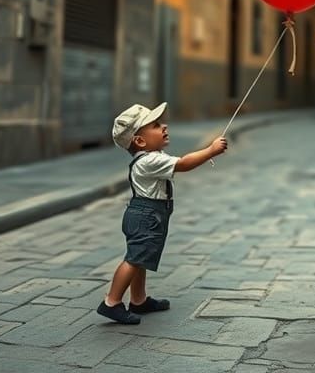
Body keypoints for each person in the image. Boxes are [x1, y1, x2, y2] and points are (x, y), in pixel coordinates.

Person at [96, 102, 228, 324]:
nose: (164, 126)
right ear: (139, 141)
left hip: (148, 214)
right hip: (147, 215)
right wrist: (211, 150)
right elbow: (184, 164)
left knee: (141, 258)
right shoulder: (149, 160)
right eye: (156, 125)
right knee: (134, 259)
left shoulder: (151, 156)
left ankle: (139, 300)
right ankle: (111, 302)